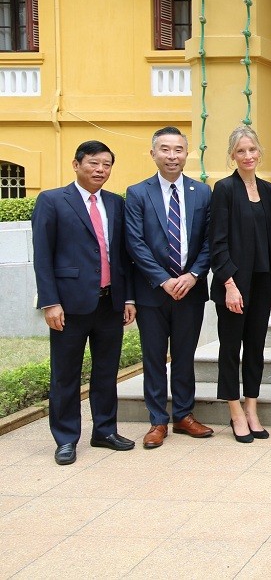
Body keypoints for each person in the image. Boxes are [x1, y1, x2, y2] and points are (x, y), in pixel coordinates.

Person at [32, 141, 137, 465]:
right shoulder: (52, 201)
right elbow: (42, 255)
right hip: (69, 305)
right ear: (76, 164)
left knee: (106, 372)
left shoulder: (115, 203)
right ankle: (66, 438)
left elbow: (123, 256)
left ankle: (104, 430)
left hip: (110, 303)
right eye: (93, 163)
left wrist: (128, 297)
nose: (100, 170)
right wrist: (50, 302)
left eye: (106, 164)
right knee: (65, 375)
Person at [125, 126, 213, 448]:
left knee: (185, 355)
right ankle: (157, 420)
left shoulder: (202, 192)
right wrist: (163, 280)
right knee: (153, 357)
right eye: (165, 149)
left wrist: (193, 276)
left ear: (186, 153)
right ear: (153, 154)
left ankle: (184, 415)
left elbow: (209, 241)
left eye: (178, 149)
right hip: (152, 292)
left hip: (190, 289)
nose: (172, 155)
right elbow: (134, 242)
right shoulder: (137, 193)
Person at [209, 126, 271, 444]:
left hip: (262, 283)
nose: (248, 156)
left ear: (259, 151)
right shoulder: (223, 189)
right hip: (234, 285)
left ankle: (252, 408)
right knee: (230, 348)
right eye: (240, 151)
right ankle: (235, 410)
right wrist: (229, 284)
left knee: (256, 349)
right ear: (232, 156)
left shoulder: (269, 189)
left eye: (252, 150)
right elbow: (217, 242)